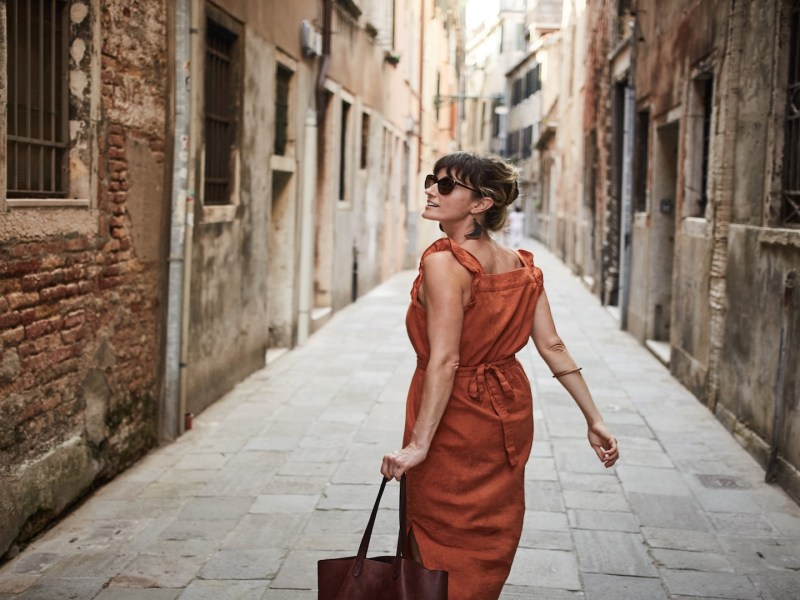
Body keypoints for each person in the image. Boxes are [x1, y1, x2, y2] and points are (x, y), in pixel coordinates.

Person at [380, 152, 619, 600]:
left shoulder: (444, 264)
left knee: (435, 534)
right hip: (506, 412)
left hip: (454, 417)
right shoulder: (521, 265)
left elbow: (446, 359)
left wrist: (418, 444)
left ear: (480, 204)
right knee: (488, 536)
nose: (431, 190)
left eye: (446, 186)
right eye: (433, 180)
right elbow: (553, 347)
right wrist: (595, 418)